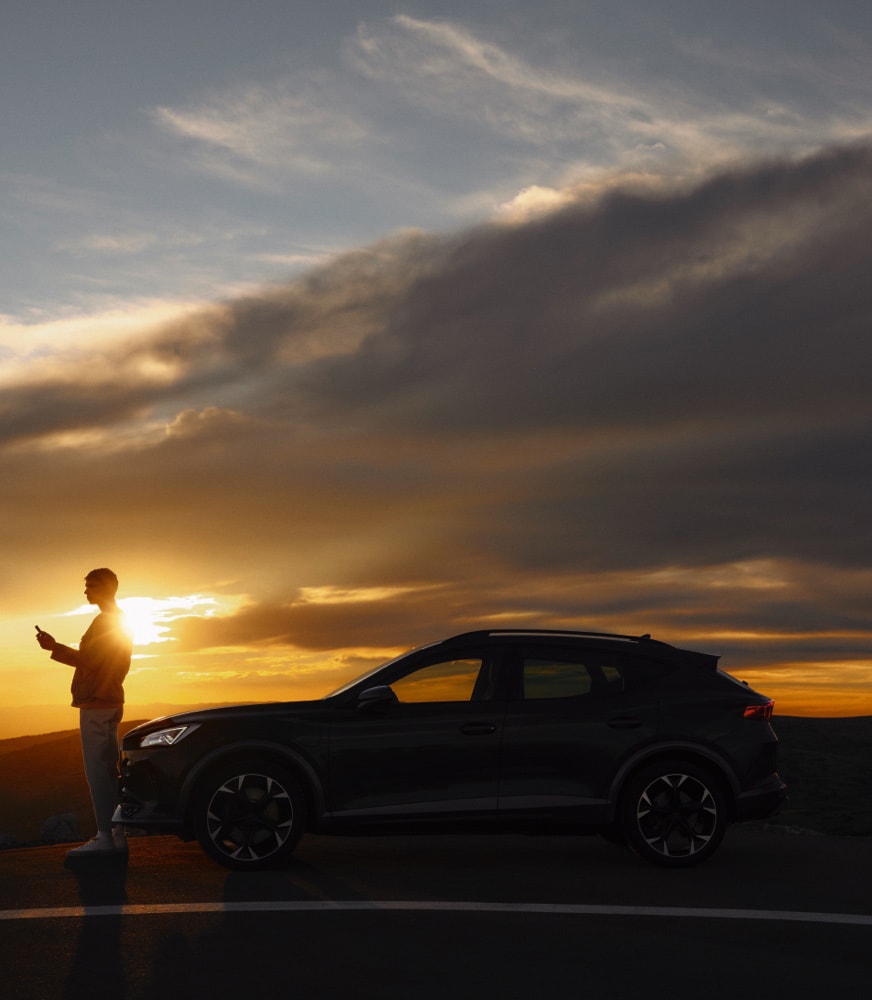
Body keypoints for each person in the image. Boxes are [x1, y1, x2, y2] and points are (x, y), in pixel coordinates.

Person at [36, 568, 132, 857]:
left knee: (98, 773)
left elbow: (90, 661)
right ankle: (116, 833)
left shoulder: (107, 622)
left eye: (91, 586)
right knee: (107, 770)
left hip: (98, 704)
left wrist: (54, 647)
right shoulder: (117, 620)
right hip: (108, 701)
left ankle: (105, 836)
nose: (86, 591)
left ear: (106, 589)